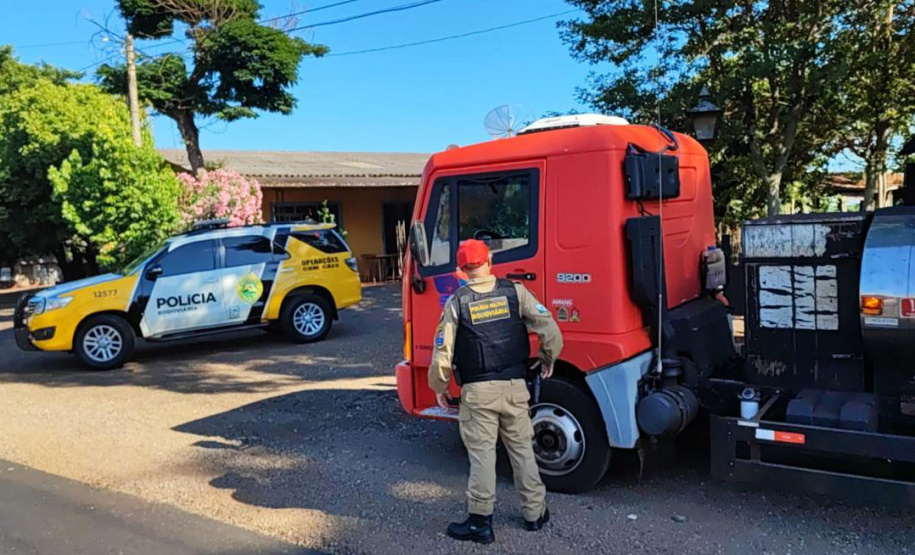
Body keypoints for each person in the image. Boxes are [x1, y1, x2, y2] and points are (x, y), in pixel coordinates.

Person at [428, 239, 563, 544]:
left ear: (462, 269)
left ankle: (480, 524)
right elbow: (549, 329)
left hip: (477, 393)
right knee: (523, 451)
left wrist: (439, 386)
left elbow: (442, 351)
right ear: (489, 260)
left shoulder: (457, 302)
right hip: (516, 389)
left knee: (482, 457)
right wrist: (547, 359)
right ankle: (534, 514)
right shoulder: (515, 292)